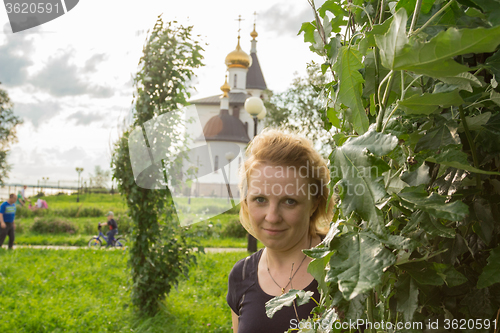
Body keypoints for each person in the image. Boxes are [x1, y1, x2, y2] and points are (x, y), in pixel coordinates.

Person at [227, 129, 334, 333]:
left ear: (313, 203)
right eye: (260, 199)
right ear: (246, 202)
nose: (272, 217)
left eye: (289, 201)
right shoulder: (240, 276)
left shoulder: (346, 265)